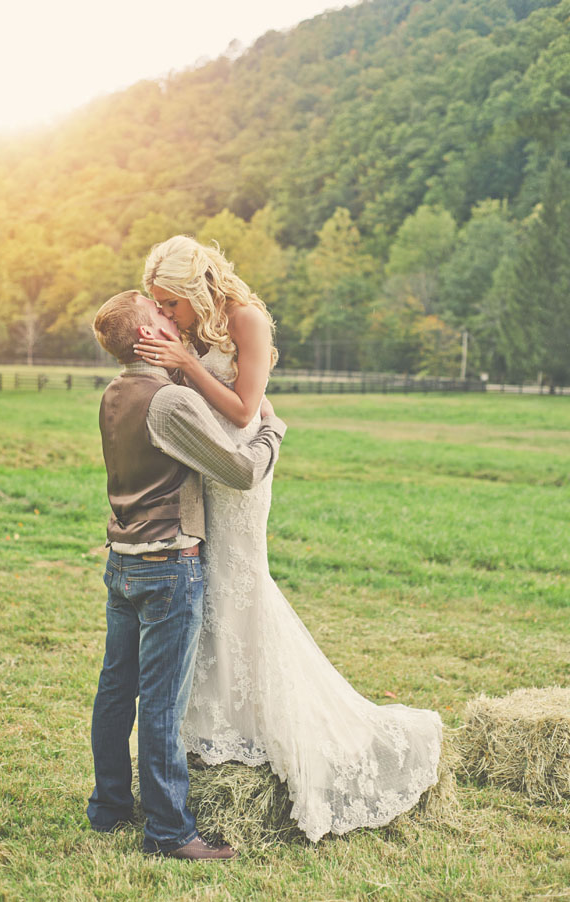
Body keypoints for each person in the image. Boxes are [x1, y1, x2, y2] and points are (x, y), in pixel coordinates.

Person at [135, 236, 443, 842]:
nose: (167, 315)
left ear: (197, 291)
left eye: (172, 303)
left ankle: (262, 722)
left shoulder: (245, 319)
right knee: (206, 587)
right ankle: (207, 726)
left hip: (242, 476)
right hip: (202, 470)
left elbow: (248, 412)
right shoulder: (189, 330)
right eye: (160, 306)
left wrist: (188, 365)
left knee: (237, 581)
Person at [88, 289, 287, 860]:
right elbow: (240, 470)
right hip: (169, 566)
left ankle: (107, 809)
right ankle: (171, 832)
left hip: (121, 562)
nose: (172, 321)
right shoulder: (169, 402)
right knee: (162, 705)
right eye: (160, 317)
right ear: (146, 337)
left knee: (115, 690)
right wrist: (273, 430)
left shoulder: (114, 391)